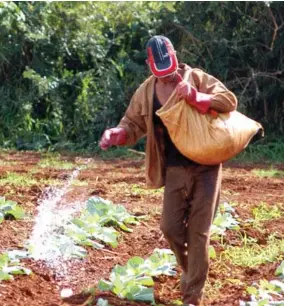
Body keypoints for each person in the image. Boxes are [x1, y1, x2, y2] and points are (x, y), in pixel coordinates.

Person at [99, 35, 237, 305]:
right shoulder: (146, 91)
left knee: (198, 234)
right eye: (160, 72)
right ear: (150, 66)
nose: (168, 76)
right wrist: (117, 134)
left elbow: (228, 100)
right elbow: (132, 123)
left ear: (175, 56)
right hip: (174, 169)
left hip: (206, 167)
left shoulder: (196, 78)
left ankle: (192, 296)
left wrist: (198, 97)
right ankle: (190, 269)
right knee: (170, 228)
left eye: (170, 69)